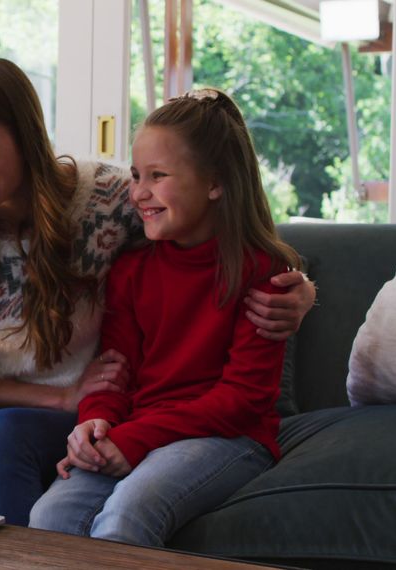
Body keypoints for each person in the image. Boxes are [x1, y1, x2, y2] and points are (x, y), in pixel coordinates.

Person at [0, 59, 314, 526]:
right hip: (57, 405)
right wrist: (64, 399)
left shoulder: (109, 200)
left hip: (83, 413)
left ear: (25, 139)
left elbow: (223, 228)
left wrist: (301, 287)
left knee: (3, 432)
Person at [28, 87, 296, 546]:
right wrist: (93, 424)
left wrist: (136, 439)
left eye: (158, 175)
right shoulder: (131, 269)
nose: (139, 192)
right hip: (139, 428)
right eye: (136, 175)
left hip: (229, 438)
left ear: (215, 182)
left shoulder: (261, 272)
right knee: (49, 516)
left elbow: (244, 398)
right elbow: (115, 374)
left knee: (127, 513)